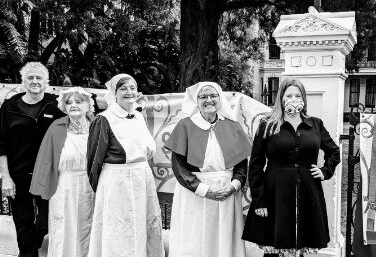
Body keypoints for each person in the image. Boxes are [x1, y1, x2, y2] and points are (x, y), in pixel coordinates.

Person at [242, 78, 341, 256]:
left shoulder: (315, 124)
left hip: (307, 191)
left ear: (303, 98)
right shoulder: (267, 125)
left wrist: (325, 171)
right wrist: (259, 199)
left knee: (301, 242)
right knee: (274, 247)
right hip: (275, 193)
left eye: (298, 95)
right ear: (281, 98)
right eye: (289, 95)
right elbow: (255, 165)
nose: (293, 99)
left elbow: (334, 152)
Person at [164, 82, 251, 257]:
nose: (209, 100)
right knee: (195, 238)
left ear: (220, 99)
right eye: (203, 97)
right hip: (195, 193)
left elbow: (242, 163)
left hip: (227, 192)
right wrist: (203, 189)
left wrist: (233, 186)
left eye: (213, 96)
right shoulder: (185, 125)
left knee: (225, 239)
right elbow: (179, 167)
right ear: (196, 101)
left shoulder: (232, 125)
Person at [86, 73, 163, 257]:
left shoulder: (138, 116)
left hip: (142, 178)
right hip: (117, 181)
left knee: (144, 224)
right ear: (114, 93)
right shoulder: (103, 119)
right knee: (119, 228)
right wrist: (105, 190)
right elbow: (94, 160)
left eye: (132, 88)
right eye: (123, 88)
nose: (129, 92)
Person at [0, 62, 65, 257]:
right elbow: (1, 143)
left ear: (47, 82)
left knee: (46, 222)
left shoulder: (57, 104)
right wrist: (5, 176)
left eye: (39, 78)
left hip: (49, 174)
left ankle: (28, 249)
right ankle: (28, 254)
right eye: (30, 78)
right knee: (23, 222)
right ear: (23, 81)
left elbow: (85, 106)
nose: (34, 81)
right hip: (18, 174)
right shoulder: (10, 106)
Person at [30, 87, 96, 257]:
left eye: (78, 101)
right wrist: (41, 186)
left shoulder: (97, 126)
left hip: (91, 186)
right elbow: (45, 158)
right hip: (63, 185)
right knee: (63, 227)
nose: (73, 105)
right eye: (69, 102)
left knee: (88, 226)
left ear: (88, 105)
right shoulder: (56, 126)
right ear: (64, 107)